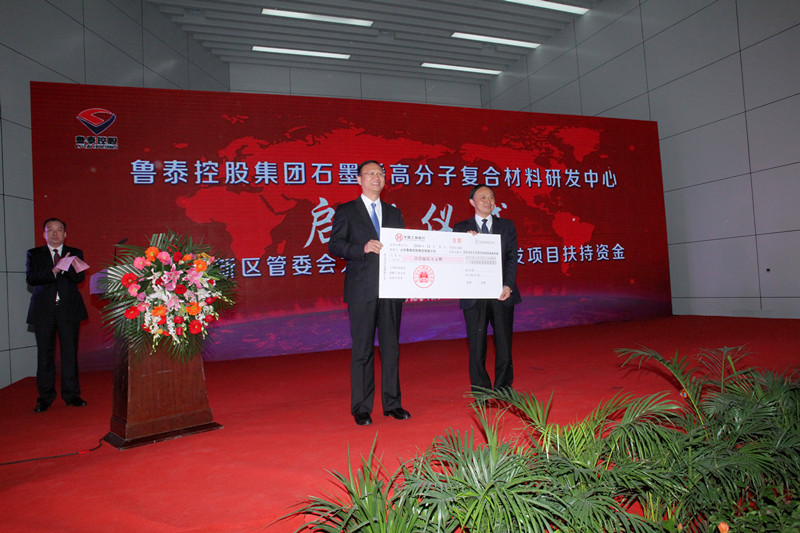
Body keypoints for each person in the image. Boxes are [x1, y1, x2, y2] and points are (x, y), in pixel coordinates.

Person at [329, 160, 411, 426]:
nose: (377, 177)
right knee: (362, 350)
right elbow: (335, 245)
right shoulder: (347, 211)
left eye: (380, 173)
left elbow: (405, 248)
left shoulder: (394, 213)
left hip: (391, 289)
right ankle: (361, 407)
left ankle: (393, 404)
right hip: (362, 290)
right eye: (371, 173)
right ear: (359, 180)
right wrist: (361, 249)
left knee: (391, 348)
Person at [453, 185, 522, 395]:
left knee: (504, 343)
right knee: (476, 346)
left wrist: (508, 285)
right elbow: (455, 260)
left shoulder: (507, 225)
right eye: (482, 197)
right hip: (474, 295)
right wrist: (466, 243)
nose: (487, 201)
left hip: (502, 293)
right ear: (472, 202)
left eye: (491, 197)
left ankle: (504, 387)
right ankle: (481, 391)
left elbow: (512, 257)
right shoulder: (461, 228)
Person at [26, 218, 89, 412]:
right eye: (50, 230)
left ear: (65, 234)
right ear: (44, 234)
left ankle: (72, 395)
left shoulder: (75, 252)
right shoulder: (34, 254)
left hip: (68, 310)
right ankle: (45, 397)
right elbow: (31, 279)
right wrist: (54, 270)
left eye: (59, 230)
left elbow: (79, 278)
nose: (55, 234)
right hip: (44, 311)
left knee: (69, 354)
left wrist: (66, 265)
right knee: (45, 355)